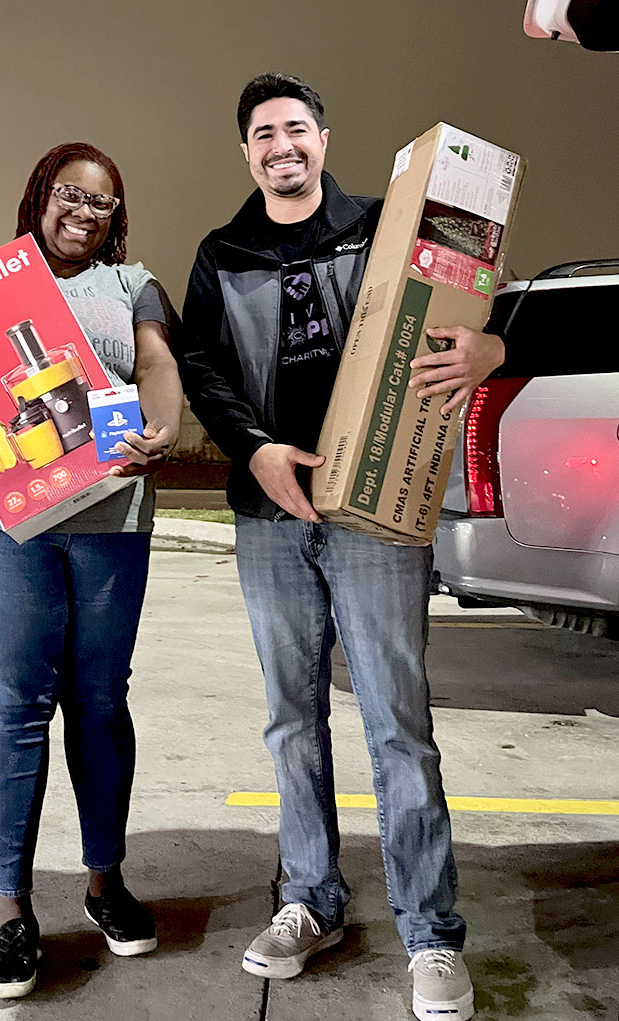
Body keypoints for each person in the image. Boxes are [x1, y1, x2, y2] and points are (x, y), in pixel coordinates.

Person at [177, 74, 505, 1021]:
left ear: (324, 138)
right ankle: (309, 899)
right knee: (290, 719)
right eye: (262, 134)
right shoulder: (223, 252)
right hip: (272, 516)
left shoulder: (389, 224)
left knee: (398, 724)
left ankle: (431, 932)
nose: (281, 145)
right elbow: (202, 363)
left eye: (295, 128)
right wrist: (257, 448)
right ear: (247, 154)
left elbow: (479, 288)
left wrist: (491, 346)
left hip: (374, 513)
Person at [0, 142, 183, 1000]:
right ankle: (11, 910)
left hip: (109, 512)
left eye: (103, 203)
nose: (85, 212)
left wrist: (160, 428)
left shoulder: (134, 286)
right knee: (15, 702)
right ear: (38, 196)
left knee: (100, 697)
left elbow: (157, 363)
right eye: (69, 195)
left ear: (117, 219)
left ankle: (103, 881)